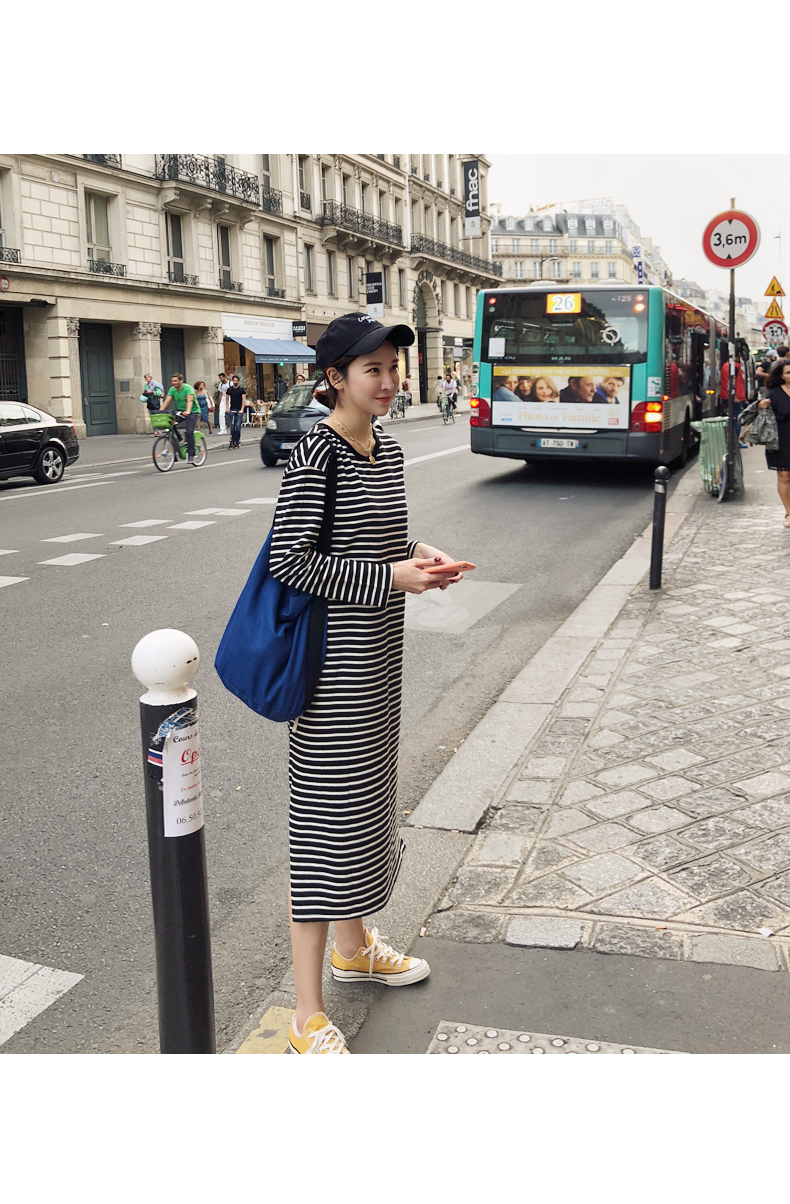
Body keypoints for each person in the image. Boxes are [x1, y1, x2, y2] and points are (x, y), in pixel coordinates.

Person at [269, 311, 467, 1055]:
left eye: (392, 367)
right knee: (325, 824)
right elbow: (290, 561)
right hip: (330, 670)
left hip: (378, 660)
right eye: (372, 369)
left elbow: (379, 538)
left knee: (366, 807)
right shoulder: (315, 451)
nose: (388, 381)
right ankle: (305, 1016)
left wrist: (422, 554)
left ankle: (354, 949)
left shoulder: (385, 446)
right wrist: (392, 577)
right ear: (335, 378)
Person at [761, 359, 790, 527]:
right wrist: (760, 406)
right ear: (782, 376)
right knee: (784, 475)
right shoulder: (774, 394)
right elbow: (762, 414)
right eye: (788, 372)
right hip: (781, 438)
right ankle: (788, 512)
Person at [160, 372, 200, 465]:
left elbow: (190, 400)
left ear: (181, 381)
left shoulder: (187, 388)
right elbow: (167, 401)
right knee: (170, 422)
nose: (173, 383)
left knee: (189, 432)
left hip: (192, 411)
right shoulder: (172, 389)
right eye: (172, 381)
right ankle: (179, 439)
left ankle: (191, 454)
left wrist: (188, 411)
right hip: (181, 410)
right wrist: (160, 411)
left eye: (175, 381)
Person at [225, 374, 246, 448]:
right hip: (232, 409)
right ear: (232, 381)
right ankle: (233, 439)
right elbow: (226, 399)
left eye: (237, 380)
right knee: (232, 425)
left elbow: (243, 399)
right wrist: (227, 408)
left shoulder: (241, 389)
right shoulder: (229, 389)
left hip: (239, 409)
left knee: (237, 425)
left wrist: (242, 409)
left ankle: (237, 440)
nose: (235, 382)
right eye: (234, 380)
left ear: (238, 381)